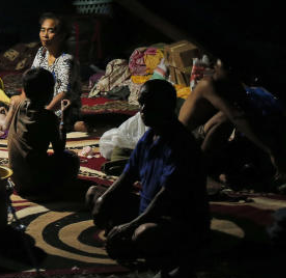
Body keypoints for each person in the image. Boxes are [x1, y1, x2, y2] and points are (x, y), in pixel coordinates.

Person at [88, 80, 209, 277]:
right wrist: (105, 199)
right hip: (147, 210)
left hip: (176, 220)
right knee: (95, 194)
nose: (143, 110)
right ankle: (130, 241)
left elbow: (165, 199)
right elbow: (128, 176)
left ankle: (163, 254)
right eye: (142, 103)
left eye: (150, 104)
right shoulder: (149, 137)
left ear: (167, 107)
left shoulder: (181, 144)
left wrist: (130, 226)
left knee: (143, 233)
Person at [178, 58, 286, 186]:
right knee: (226, 117)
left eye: (233, 66)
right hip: (185, 140)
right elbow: (236, 117)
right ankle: (202, 169)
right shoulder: (208, 84)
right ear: (214, 66)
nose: (231, 70)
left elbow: (248, 111)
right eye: (226, 66)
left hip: (203, 136)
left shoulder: (231, 83)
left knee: (247, 134)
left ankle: (217, 169)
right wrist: (270, 150)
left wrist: (274, 145)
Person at [7, 68, 79, 198]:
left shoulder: (20, 106)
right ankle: (57, 190)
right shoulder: (48, 118)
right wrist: (64, 117)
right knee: (71, 159)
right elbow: (59, 150)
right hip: (35, 185)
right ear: (48, 93)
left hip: (16, 180)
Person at [31, 12, 84, 131]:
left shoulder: (66, 60)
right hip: (43, 105)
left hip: (63, 109)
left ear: (61, 35)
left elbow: (63, 93)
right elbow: (31, 80)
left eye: (51, 31)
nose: (45, 35)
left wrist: (45, 112)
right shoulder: (41, 52)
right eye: (42, 30)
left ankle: (73, 126)